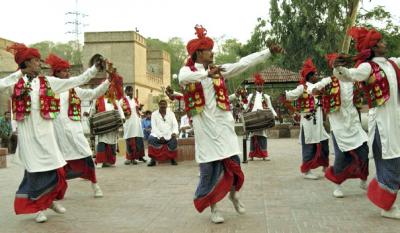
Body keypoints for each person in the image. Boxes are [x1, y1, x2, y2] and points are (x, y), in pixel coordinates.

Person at [179, 25, 282, 224]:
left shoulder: (220, 70)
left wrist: (267, 52)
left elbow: (243, 63)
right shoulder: (188, 71)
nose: (213, 52)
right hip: (206, 133)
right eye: (209, 50)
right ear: (199, 53)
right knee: (210, 173)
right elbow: (183, 78)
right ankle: (214, 208)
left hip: (224, 128)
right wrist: (207, 75)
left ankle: (234, 196)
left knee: (233, 166)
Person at [3, 43, 103, 223]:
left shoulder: (47, 82)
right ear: (26, 63)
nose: (39, 64)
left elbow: (75, 81)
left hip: (47, 135)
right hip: (28, 137)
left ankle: (49, 201)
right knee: (34, 173)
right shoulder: (15, 82)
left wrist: (94, 69)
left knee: (58, 171)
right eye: (34, 61)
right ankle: (39, 209)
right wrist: (20, 73)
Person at [333, 26, 400, 219]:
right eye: (381, 41)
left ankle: (386, 200)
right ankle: (387, 206)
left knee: (396, 160)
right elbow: (349, 75)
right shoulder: (368, 67)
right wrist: (338, 67)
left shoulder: (393, 64)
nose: (385, 44)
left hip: (396, 122)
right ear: (374, 47)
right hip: (382, 125)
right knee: (390, 160)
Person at [46, 54, 110, 198]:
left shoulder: (74, 90)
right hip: (57, 135)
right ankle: (58, 191)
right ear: (56, 73)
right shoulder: (49, 88)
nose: (67, 73)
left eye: (68, 71)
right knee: (58, 165)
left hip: (75, 133)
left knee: (86, 157)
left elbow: (93, 93)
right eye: (64, 71)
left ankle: (95, 186)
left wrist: (107, 82)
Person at [308, 53, 369, 198]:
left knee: (364, 152)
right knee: (341, 156)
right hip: (338, 124)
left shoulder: (353, 79)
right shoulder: (328, 81)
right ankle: (337, 186)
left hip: (354, 122)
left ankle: (363, 179)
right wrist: (316, 91)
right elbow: (312, 89)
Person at [285, 58, 330, 180]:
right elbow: (289, 96)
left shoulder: (318, 87)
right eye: (315, 74)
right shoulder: (302, 88)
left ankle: (325, 166)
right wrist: (286, 96)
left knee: (324, 142)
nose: (317, 76)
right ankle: (306, 171)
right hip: (308, 123)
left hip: (319, 122)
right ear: (310, 76)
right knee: (309, 145)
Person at [245, 73, 277, 161]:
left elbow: (270, 107)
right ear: (256, 86)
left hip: (263, 119)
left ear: (263, 86)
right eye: (258, 85)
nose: (260, 86)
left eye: (261, 85)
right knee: (252, 136)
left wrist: (274, 115)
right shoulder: (251, 96)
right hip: (253, 120)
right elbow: (246, 106)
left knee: (263, 136)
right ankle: (251, 155)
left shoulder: (266, 97)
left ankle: (264, 155)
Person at [93, 91, 125, 168]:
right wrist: (90, 117)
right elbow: (92, 110)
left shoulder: (113, 100)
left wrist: (122, 117)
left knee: (112, 142)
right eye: (105, 89)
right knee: (102, 142)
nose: (107, 91)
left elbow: (119, 109)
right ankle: (102, 161)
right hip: (102, 126)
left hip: (112, 126)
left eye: (108, 89)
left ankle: (109, 161)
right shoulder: (97, 99)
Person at [147, 99, 179, 166]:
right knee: (151, 138)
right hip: (157, 135)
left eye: (164, 104)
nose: (163, 105)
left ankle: (172, 159)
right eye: (161, 104)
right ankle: (153, 160)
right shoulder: (154, 114)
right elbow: (154, 127)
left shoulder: (171, 113)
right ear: (159, 105)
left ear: (166, 105)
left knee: (174, 140)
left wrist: (174, 132)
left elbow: (175, 124)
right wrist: (160, 136)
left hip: (169, 134)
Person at [120, 86, 146, 165]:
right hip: (129, 123)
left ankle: (140, 156)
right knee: (130, 140)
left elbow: (138, 110)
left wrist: (140, 107)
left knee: (138, 139)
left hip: (137, 122)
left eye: (131, 91)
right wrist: (122, 118)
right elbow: (120, 110)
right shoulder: (122, 100)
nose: (131, 92)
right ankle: (131, 158)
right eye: (129, 91)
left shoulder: (135, 100)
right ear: (126, 92)